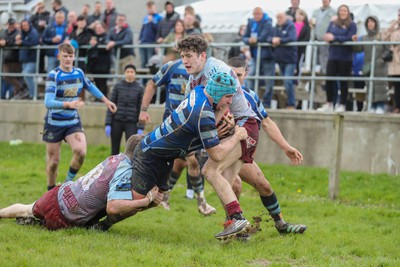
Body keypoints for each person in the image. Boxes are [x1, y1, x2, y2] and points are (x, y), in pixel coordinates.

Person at [132, 70, 249, 240]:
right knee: (133, 202)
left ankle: (100, 216)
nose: (231, 101)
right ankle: (100, 214)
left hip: (163, 156)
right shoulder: (204, 113)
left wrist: (220, 113)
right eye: (228, 96)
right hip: (150, 156)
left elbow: (200, 126)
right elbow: (216, 155)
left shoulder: (199, 91)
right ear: (218, 93)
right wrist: (237, 136)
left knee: (155, 199)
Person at [176, 35, 260, 239]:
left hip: (244, 126)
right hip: (236, 128)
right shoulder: (193, 77)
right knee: (227, 184)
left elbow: (224, 104)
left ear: (202, 55)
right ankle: (239, 230)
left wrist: (216, 127)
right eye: (182, 56)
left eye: (189, 56)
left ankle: (239, 220)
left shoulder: (216, 71)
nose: (184, 61)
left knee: (210, 171)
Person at [0, 135, 163, 231]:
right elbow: (113, 207)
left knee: (28, 208)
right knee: (130, 203)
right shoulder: (126, 170)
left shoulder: (115, 158)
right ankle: (41, 223)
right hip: (67, 215)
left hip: (60, 193)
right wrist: (147, 200)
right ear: (140, 153)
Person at [228, 56, 307, 235]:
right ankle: (233, 227)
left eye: (238, 75)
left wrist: (286, 147)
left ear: (246, 74)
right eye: (230, 74)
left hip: (239, 153)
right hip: (218, 151)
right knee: (235, 185)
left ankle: (281, 225)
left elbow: (267, 123)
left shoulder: (250, 96)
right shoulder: (218, 94)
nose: (234, 79)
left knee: (264, 186)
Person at [138, 59, 216, 216]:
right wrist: (143, 110)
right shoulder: (171, 67)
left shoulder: (207, 70)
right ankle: (201, 202)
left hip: (195, 122)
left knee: (181, 164)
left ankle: (165, 198)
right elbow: (152, 84)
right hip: (174, 124)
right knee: (190, 161)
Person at [43, 43, 117, 191]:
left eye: (71, 56)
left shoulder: (79, 73)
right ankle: (50, 191)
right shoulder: (54, 75)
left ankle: (66, 184)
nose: (68, 59)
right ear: (59, 57)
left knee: (81, 152)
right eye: (65, 56)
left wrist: (106, 100)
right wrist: (67, 105)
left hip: (72, 122)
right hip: (54, 123)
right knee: (53, 163)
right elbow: (48, 102)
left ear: (74, 57)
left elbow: (90, 86)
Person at [317, 4, 357, 112]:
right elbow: (327, 34)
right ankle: (329, 103)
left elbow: (349, 37)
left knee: (343, 81)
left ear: (348, 13)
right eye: (341, 10)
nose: (343, 13)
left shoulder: (352, 25)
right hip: (333, 55)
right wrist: (331, 38)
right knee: (329, 79)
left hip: (345, 57)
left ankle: (342, 104)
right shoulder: (333, 23)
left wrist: (335, 38)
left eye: (345, 10)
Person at [105, 64, 144, 156]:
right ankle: (113, 168)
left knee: (131, 149)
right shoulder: (118, 86)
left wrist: (141, 126)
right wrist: (108, 123)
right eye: (128, 72)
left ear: (135, 74)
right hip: (117, 121)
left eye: (132, 72)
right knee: (114, 149)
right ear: (124, 73)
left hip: (131, 122)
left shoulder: (140, 88)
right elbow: (111, 105)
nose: (130, 74)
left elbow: (141, 108)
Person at [352, 16, 388, 113]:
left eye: (372, 22)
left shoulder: (382, 36)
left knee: (380, 86)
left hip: (380, 67)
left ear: (376, 23)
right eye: (368, 22)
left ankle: (380, 106)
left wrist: (382, 59)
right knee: (369, 86)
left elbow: (388, 50)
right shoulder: (364, 38)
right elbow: (358, 49)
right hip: (368, 67)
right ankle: (371, 105)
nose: (370, 24)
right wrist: (354, 42)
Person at [242, 7, 275, 107]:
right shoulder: (251, 22)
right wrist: (249, 40)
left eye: (258, 14)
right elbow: (244, 37)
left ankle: (267, 102)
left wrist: (254, 40)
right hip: (255, 55)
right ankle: (251, 100)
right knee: (250, 77)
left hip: (267, 56)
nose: (256, 16)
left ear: (262, 14)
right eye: (254, 14)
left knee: (269, 80)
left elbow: (264, 37)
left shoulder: (268, 23)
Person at [272, 12, 298, 109]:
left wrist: (280, 40)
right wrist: (272, 40)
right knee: (286, 81)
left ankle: (291, 104)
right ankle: (289, 102)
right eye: (277, 17)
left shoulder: (291, 26)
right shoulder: (276, 27)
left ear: (285, 17)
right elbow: (270, 37)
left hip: (290, 58)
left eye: (280, 17)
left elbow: (292, 38)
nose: (279, 19)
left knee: (288, 81)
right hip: (280, 58)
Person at [0, 18, 25, 99]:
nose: (11, 26)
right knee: (7, 76)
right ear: (7, 24)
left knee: (15, 77)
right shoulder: (3, 32)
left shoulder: (18, 32)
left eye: (12, 24)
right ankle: (22, 89)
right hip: (6, 59)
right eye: (9, 24)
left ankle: (17, 94)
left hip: (16, 59)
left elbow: (17, 43)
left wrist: (6, 42)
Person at [310, 0, 336, 75]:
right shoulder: (316, 11)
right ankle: (313, 78)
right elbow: (312, 24)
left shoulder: (333, 12)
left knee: (324, 60)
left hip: (325, 41)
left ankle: (325, 77)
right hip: (315, 40)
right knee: (313, 60)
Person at [16, 19, 40, 100]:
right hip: (24, 59)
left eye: (26, 25)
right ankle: (32, 93)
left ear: (29, 25)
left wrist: (22, 42)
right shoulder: (21, 33)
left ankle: (33, 94)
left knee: (27, 75)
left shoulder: (33, 32)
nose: (25, 27)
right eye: (23, 26)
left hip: (32, 59)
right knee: (26, 76)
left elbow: (34, 43)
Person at [382, 9, 400, 113]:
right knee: (397, 85)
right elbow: (384, 39)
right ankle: (397, 106)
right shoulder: (394, 28)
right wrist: (390, 28)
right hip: (394, 62)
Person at [87, 21, 111, 96]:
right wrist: (94, 23)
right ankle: (98, 96)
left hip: (104, 63)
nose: (98, 29)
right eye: (96, 28)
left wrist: (96, 44)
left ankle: (104, 96)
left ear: (104, 28)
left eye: (100, 27)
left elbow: (105, 45)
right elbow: (88, 30)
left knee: (103, 81)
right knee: (97, 81)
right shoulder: (94, 36)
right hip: (95, 63)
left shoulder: (106, 36)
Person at [139, 1, 162, 69]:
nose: (149, 9)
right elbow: (142, 29)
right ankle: (144, 80)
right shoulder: (145, 18)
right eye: (148, 8)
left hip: (151, 42)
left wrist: (152, 21)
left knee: (150, 62)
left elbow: (158, 30)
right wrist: (139, 38)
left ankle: (150, 79)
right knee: (143, 62)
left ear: (154, 8)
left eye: (151, 7)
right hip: (143, 42)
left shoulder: (159, 17)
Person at [29, 1, 51, 74]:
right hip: (35, 38)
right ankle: (37, 72)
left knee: (42, 57)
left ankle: (41, 72)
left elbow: (49, 24)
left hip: (43, 39)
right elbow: (29, 23)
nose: (40, 9)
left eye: (41, 7)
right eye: (38, 7)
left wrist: (44, 25)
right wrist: (35, 13)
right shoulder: (35, 16)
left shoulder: (47, 15)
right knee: (35, 57)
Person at [294, 9, 310, 76]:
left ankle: (297, 80)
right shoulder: (291, 25)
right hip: (292, 49)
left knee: (299, 64)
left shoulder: (306, 27)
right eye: (298, 14)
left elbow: (307, 38)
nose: (299, 16)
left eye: (301, 15)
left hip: (301, 49)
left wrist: (298, 43)